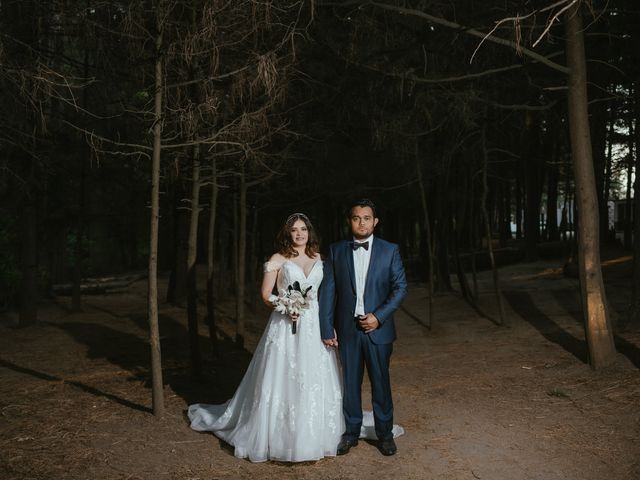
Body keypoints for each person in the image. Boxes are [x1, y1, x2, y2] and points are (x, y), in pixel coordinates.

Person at [187, 213, 344, 463]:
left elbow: (326, 298)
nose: (299, 234)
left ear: (309, 232)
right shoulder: (278, 259)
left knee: (313, 378)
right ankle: (279, 437)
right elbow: (265, 294)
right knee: (283, 378)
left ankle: (315, 436)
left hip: (314, 326)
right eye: (294, 230)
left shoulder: (320, 259)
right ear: (287, 234)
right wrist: (286, 304)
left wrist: (329, 325)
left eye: (303, 229)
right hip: (286, 325)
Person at [319, 199, 408, 457]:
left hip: (378, 331)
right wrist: (326, 327)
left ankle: (385, 435)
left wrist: (378, 317)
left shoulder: (390, 250)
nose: (361, 222)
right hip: (347, 330)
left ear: (375, 221)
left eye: (366, 218)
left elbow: (400, 287)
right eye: (357, 218)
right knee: (350, 384)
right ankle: (350, 433)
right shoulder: (336, 251)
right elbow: (329, 292)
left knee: (381, 383)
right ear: (350, 221)